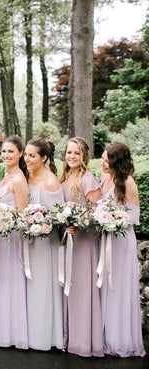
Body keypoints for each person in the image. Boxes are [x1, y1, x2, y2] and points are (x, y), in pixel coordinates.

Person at [100, 142, 145, 357]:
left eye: (106, 159)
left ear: (116, 160)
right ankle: (104, 336)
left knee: (117, 286)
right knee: (105, 288)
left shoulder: (128, 183)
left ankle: (120, 340)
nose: (102, 163)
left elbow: (134, 217)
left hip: (120, 240)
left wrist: (112, 219)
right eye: (101, 158)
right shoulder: (104, 179)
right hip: (105, 238)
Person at [60, 137, 103, 357]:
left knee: (82, 290)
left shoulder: (88, 179)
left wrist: (79, 223)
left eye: (76, 153)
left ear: (84, 156)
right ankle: (70, 337)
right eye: (69, 152)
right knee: (70, 288)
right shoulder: (65, 177)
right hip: (68, 242)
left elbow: (98, 211)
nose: (72, 156)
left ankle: (85, 341)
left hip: (84, 243)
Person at [24, 137, 64, 351]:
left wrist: (39, 223)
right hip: (29, 239)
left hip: (46, 242)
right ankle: (29, 333)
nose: (27, 159)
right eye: (26, 155)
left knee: (43, 285)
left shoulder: (50, 181)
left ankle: (44, 337)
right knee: (30, 285)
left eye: (32, 156)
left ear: (44, 158)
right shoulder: (28, 175)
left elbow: (57, 217)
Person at [0, 135, 29, 349]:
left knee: (11, 281)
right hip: (0, 235)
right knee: (2, 281)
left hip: (12, 237)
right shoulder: (5, 176)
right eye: (4, 151)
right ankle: (3, 332)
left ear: (20, 154)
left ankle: (14, 334)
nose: (6, 155)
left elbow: (22, 214)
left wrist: (3, 220)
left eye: (10, 152)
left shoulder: (18, 179)